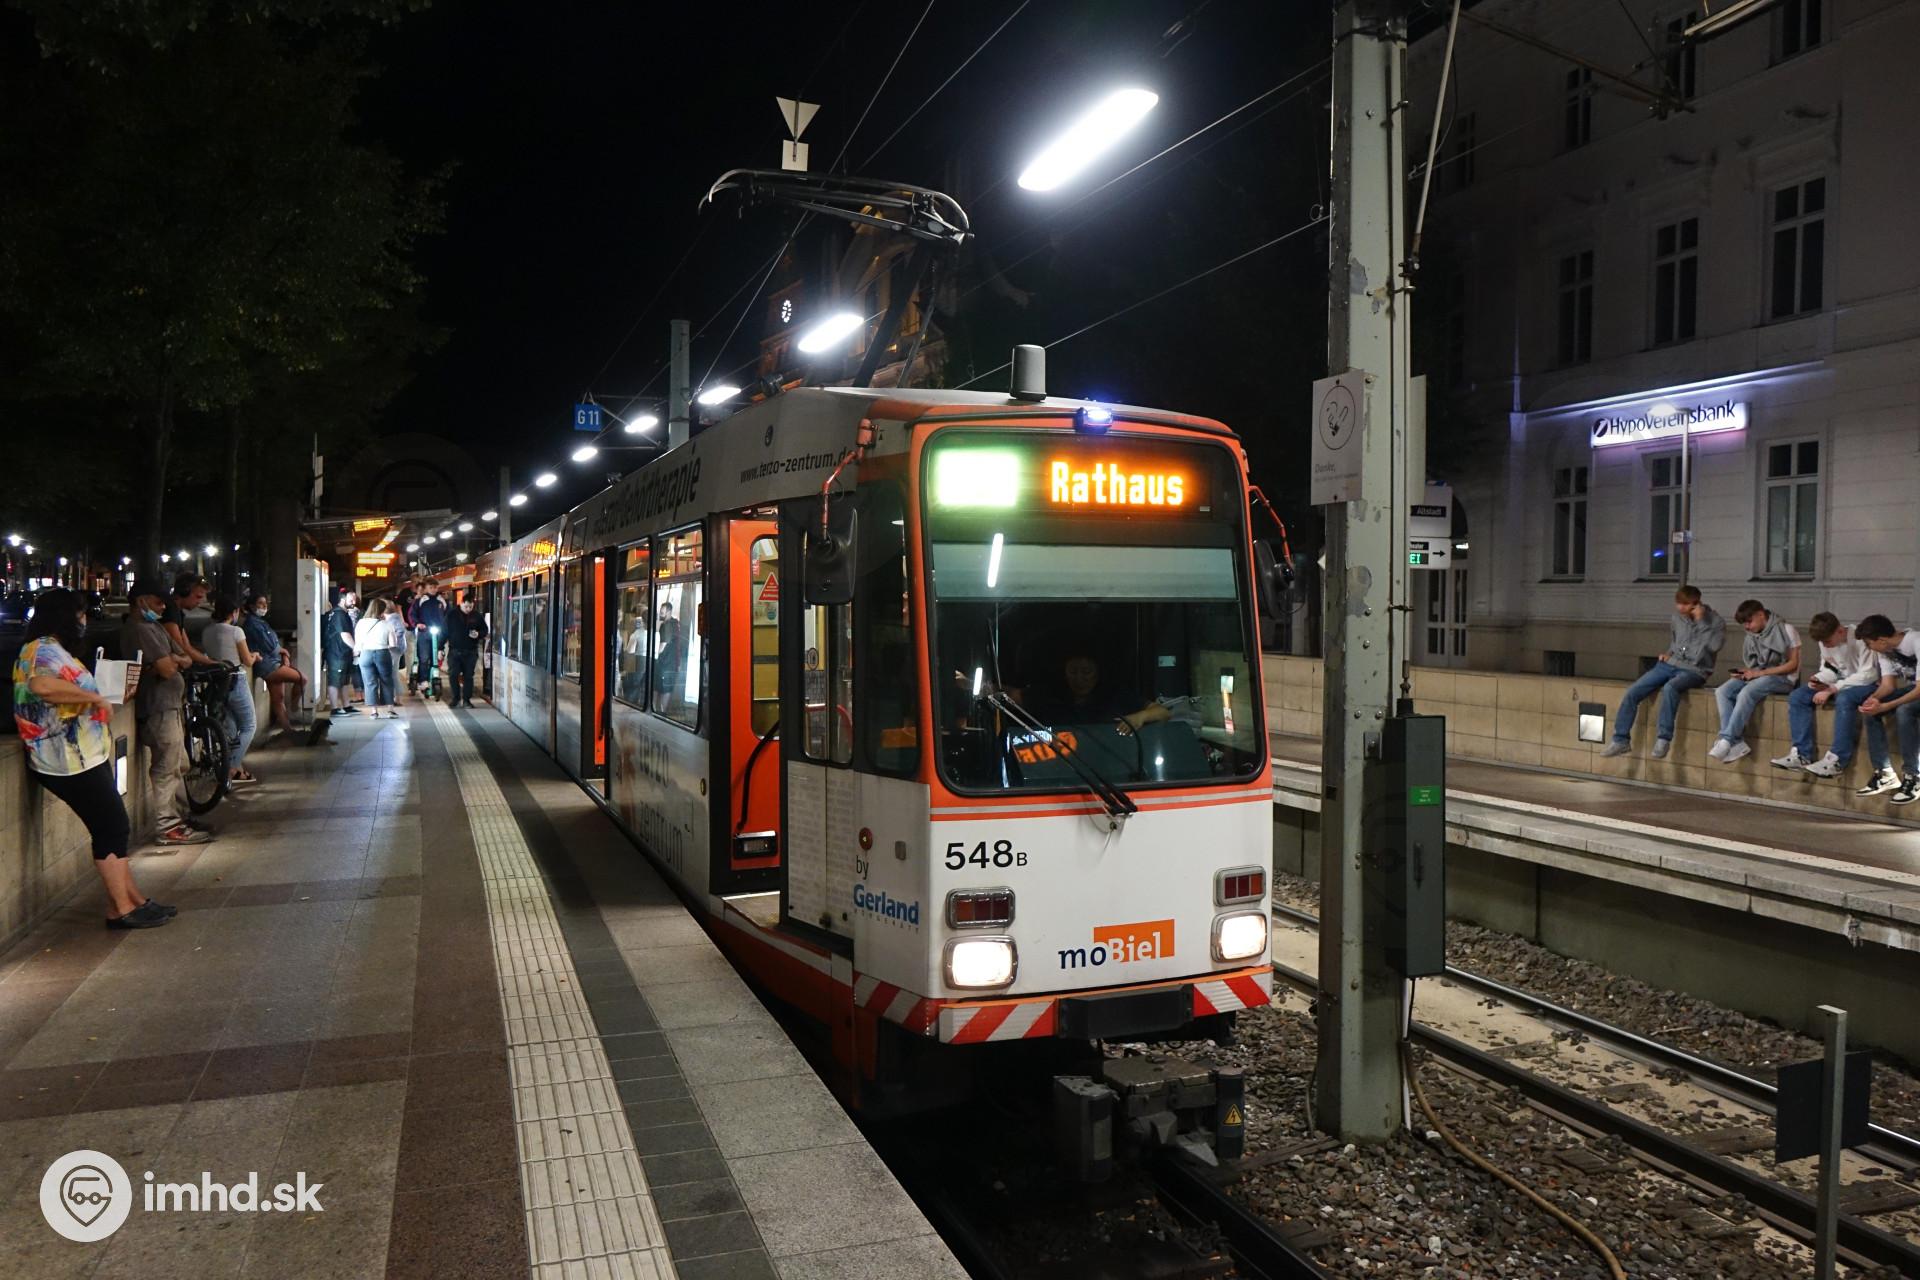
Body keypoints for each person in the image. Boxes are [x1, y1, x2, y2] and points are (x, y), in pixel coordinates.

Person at [14, 589, 176, 927]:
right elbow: (42, 687)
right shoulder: (41, 649)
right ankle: (120, 909)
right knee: (111, 826)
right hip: (65, 761)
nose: (84, 620)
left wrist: (102, 697)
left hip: (84, 755)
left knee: (115, 827)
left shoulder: (54, 649)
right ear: (65, 617)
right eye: (80, 614)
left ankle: (133, 900)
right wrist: (94, 698)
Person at [119, 578, 211, 846]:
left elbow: (185, 657)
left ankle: (179, 818)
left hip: (170, 705)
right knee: (166, 767)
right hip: (157, 707)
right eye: (158, 603)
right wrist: (172, 661)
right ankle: (168, 826)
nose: (162, 608)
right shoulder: (140, 630)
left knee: (179, 764)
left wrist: (173, 660)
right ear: (141, 601)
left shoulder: (155, 627)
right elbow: (168, 669)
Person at [1601, 586, 1725, 759]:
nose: (1680, 608)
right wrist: (1668, 653)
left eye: (1684, 604)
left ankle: (1663, 739)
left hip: (1695, 670)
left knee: (1670, 688)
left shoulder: (1715, 622)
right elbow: (1675, 642)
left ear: (1696, 603)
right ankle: (1620, 740)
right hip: (1670, 664)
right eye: (1678, 603)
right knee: (1633, 691)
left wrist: (1701, 622)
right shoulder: (1677, 618)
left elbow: (1714, 646)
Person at [1775, 613, 1878, 776]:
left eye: (1827, 641)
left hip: (1865, 685)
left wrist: (1833, 689)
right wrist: (1819, 679)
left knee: (1844, 698)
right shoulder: (1825, 641)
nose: (1825, 645)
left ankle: (1837, 760)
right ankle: (1801, 755)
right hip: (1838, 683)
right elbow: (1830, 668)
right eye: (1822, 643)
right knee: (1798, 696)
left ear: (1840, 631)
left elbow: (1868, 675)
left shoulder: (1861, 639)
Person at [1708, 600, 1801, 764]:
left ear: (1761, 615)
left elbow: (1793, 664)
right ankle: (1736, 743)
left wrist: (1759, 673)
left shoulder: (1786, 629)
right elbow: (1756, 665)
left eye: (1749, 621)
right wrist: (1746, 672)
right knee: (1722, 691)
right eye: (1744, 623)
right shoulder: (1752, 634)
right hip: (1760, 674)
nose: (1747, 627)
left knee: (1747, 691)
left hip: (1784, 678)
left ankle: (1727, 739)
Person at [1854, 615, 1920, 804]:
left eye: (1869, 644)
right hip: (1914, 689)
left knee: (1904, 710)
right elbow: (1888, 686)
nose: (1869, 648)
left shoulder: (1916, 641)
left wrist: (1888, 705)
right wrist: (1873, 700)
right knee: (1871, 710)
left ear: (1881, 640)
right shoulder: (1885, 650)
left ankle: (1913, 776)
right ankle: (1884, 773)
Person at [1027, 651, 1171, 735]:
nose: (1079, 679)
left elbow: (1163, 712)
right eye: (1073, 672)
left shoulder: (1116, 696)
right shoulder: (1050, 697)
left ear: (1098, 673)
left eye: (1086, 672)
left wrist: (1140, 717)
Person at [200, 595, 261, 786]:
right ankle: (231, 767)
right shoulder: (236, 631)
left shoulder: (207, 631)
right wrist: (255, 656)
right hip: (235, 680)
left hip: (216, 682)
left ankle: (234, 768)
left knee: (232, 728)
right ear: (234, 612)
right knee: (249, 726)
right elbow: (247, 661)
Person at [242, 592, 308, 733]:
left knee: (278, 699)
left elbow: (274, 642)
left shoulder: (261, 622)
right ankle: (294, 708)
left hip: (272, 662)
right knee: (302, 678)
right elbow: (269, 645)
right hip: (267, 665)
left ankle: (287, 729)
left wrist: (282, 653)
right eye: (260, 603)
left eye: (265, 603)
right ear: (252, 606)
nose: (264, 606)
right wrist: (282, 651)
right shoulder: (252, 624)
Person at [354, 598, 399, 718]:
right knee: (387, 681)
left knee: (369, 682)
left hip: (365, 654)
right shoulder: (387, 624)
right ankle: (390, 710)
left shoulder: (361, 623)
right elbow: (393, 644)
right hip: (382, 653)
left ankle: (374, 712)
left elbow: (358, 643)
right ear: (382, 611)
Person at [321, 590, 361, 716]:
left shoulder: (338, 613)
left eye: (354, 600)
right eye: (351, 600)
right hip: (337, 653)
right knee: (335, 680)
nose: (354, 602)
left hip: (341, 652)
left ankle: (346, 705)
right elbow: (345, 635)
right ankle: (334, 708)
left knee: (344, 681)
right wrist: (356, 648)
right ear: (343, 600)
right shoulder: (339, 615)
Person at [163, 573, 217, 666]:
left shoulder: (177, 612)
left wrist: (211, 662)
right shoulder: (169, 611)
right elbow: (180, 647)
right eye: (198, 597)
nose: (199, 602)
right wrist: (212, 663)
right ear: (184, 592)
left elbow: (186, 645)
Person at [445, 594, 488, 708]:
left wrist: (478, 634)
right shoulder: (452, 614)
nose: (468, 609)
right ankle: (456, 698)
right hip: (455, 651)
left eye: (471, 607)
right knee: (453, 675)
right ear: (461, 603)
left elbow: (484, 630)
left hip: (471, 651)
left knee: (468, 676)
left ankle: (466, 700)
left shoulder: (476, 616)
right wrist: (440, 648)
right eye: (466, 606)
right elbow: (445, 631)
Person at [410, 578, 448, 694]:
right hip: (424, 632)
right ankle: (423, 680)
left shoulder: (442, 600)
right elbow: (412, 614)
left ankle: (433, 677)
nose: (433, 589)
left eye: (435, 587)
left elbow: (448, 614)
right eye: (430, 587)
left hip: (438, 633)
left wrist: (446, 627)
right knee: (424, 657)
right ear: (426, 588)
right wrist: (417, 624)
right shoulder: (421, 600)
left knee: (435, 658)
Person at [384, 596, 410, 700]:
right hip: (395, 648)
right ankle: (395, 696)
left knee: (393, 673)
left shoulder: (393, 618)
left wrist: (391, 641)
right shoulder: (393, 618)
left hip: (394, 648)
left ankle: (397, 697)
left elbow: (400, 631)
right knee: (392, 672)